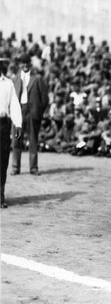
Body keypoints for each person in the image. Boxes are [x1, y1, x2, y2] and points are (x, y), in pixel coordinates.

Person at [11, 53, 49, 175]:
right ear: (19, 64)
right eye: (22, 62)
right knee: (17, 140)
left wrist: (39, 112)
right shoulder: (15, 79)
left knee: (33, 140)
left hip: (32, 112)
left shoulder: (37, 78)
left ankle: (33, 167)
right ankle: (15, 167)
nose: (25, 64)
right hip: (18, 111)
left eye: (27, 62)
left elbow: (45, 99)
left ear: (30, 64)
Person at [0, 57, 22, 208]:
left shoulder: (8, 83)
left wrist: (18, 124)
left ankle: (0, 197)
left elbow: (14, 104)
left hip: (3, 125)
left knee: (2, 160)